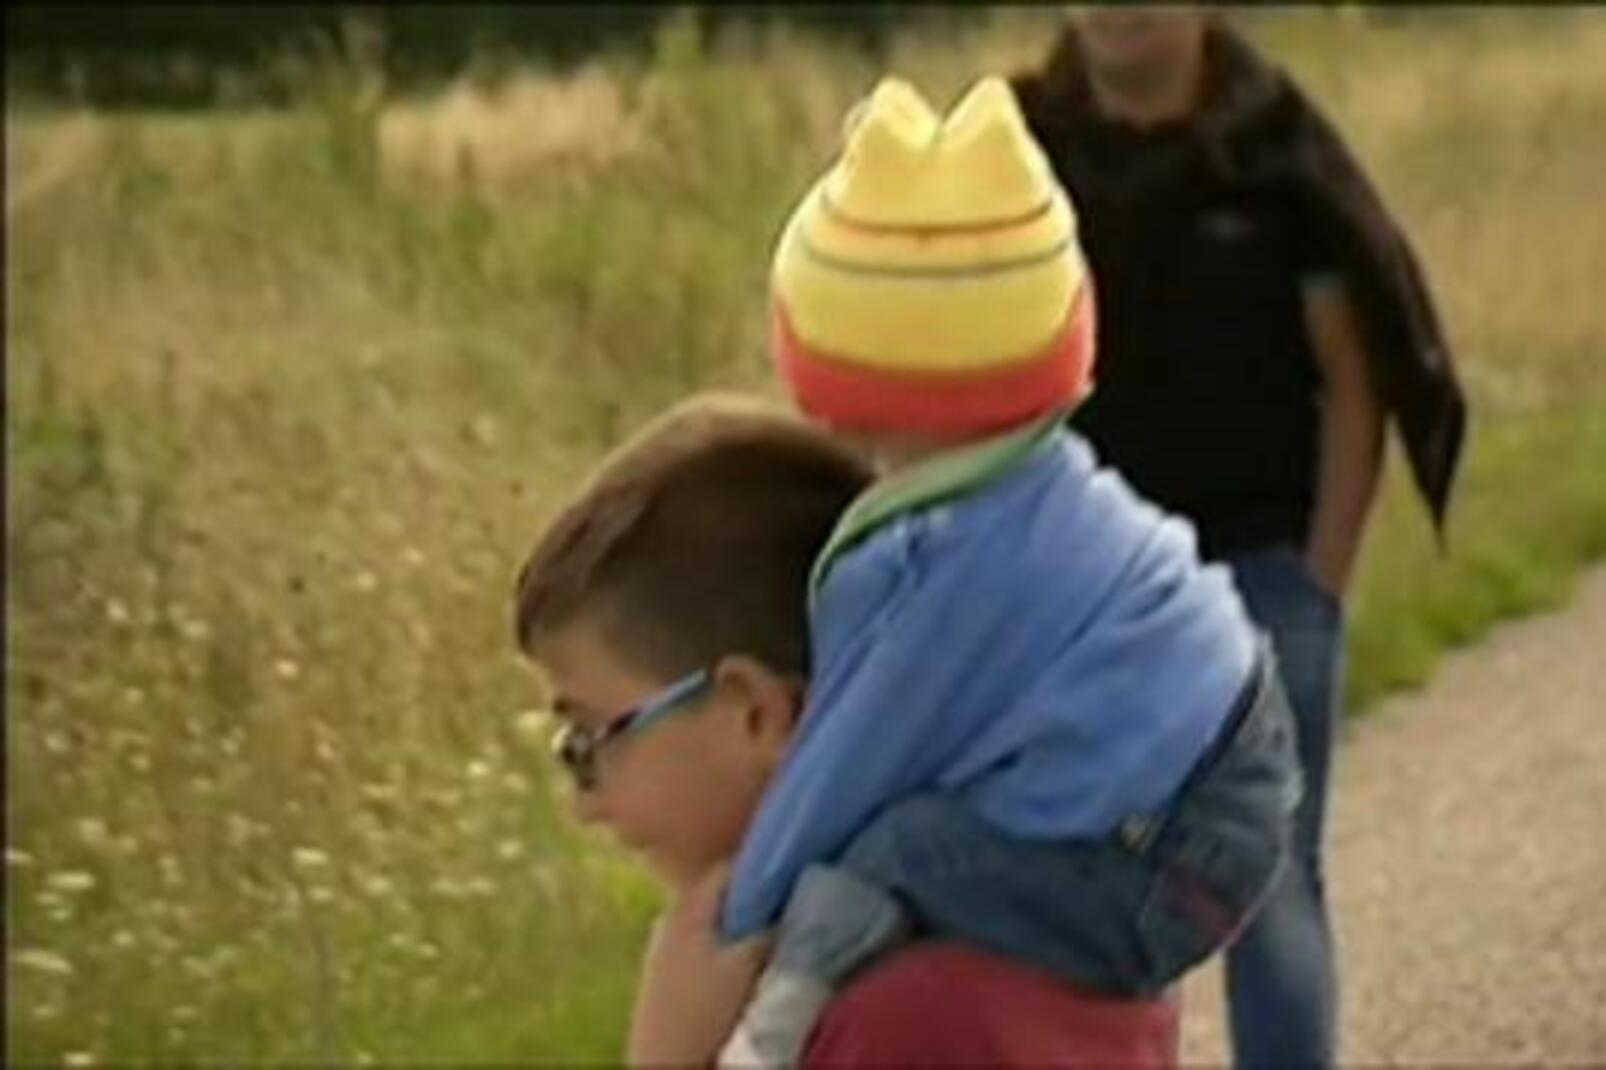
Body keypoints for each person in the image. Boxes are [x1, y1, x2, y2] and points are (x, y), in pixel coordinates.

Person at [705, 73, 1307, 1066]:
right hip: (1222, 774)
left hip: (1163, 853)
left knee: (888, 852)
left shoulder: (939, 552)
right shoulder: (1042, 484)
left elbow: (855, 757)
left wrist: (744, 914)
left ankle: (768, 1038)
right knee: (934, 846)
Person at [1011, 9, 1470, 1067]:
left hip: (1257, 573)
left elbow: (1356, 380)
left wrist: (1320, 580)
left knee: (1268, 878)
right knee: (1074, 880)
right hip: (1076, 587)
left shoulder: (1273, 150)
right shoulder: (1020, 149)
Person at [511, 395, 1180, 1065]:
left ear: (757, 713)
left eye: (593, 741)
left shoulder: (893, 1015)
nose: (586, 803)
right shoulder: (1034, 906)